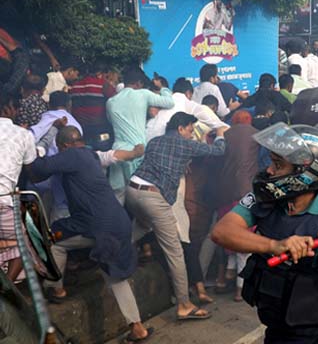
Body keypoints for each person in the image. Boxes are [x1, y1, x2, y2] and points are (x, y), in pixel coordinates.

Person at [212, 123, 318, 343]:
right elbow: (222, 232)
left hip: (315, 333)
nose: (269, 170)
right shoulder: (265, 200)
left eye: (278, 165)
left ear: (305, 174)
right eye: (271, 162)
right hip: (275, 329)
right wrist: (275, 245)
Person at [27, 126, 152, 342]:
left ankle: (56, 289)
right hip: (117, 222)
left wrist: (37, 144)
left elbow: (39, 168)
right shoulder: (91, 155)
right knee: (114, 278)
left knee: (54, 241)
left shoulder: (71, 155)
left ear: (64, 146)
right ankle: (137, 327)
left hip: (96, 225)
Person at [126, 112, 228, 321]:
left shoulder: (154, 141)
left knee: (140, 228)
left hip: (132, 190)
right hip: (153, 197)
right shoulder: (185, 145)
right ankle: (184, 304)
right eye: (190, 130)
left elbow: (167, 160)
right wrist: (220, 134)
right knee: (175, 251)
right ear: (181, 129)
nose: (191, 135)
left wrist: (184, 161)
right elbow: (218, 151)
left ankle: (116, 251)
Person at [210, 109, 259, 301]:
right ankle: (240, 288)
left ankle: (228, 273)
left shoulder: (225, 135)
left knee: (229, 232)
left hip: (225, 192)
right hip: (247, 193)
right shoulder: (257, 134)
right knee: (244, 238)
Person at [106, 66, 174, 200]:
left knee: (118, 196)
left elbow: (111, 122)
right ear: (139, 83)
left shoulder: (110, 102)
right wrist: (163, 87)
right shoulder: (143, 94)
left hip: (118, 152)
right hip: (137, 152)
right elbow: (169, 102)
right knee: (138, 198)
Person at [0, 92, 37, 283]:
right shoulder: (23, 134)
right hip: (3, 201)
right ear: (8, 109)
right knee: (24, 246)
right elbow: (32, 169)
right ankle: (6, 289)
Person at [145, 77, 227, 143]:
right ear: (188, 94)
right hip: (164, 147)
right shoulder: (185, 103)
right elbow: (216, 124)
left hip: (147, 144)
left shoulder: (162, 102)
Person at [70, 60, 117, 151]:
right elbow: (116, 102)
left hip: (81, 129)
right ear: (100, 73)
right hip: (100, 129)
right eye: (106, 76)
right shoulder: (103, 85)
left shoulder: (75, 86)